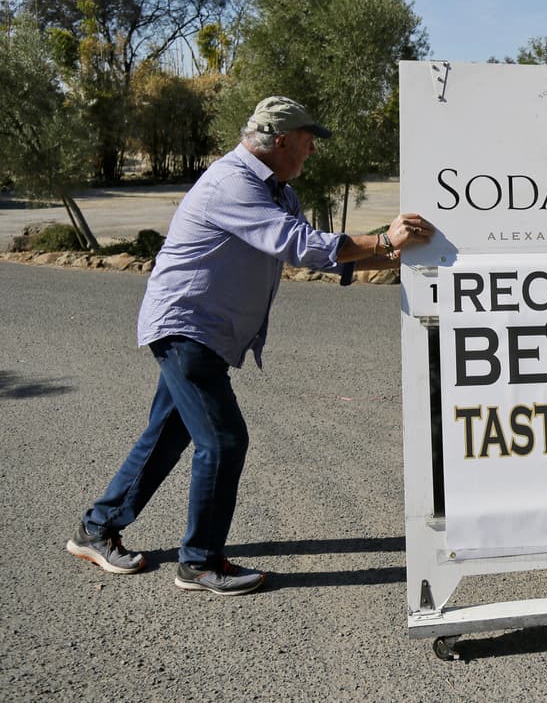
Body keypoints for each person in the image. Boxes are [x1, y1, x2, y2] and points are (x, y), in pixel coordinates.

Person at [65, 96, 435, 596]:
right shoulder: (232, 182)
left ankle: (96, 528)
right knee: (223, 440)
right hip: (186, 326)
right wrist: (384, 240)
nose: (311, 152)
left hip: (207, 333)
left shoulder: (278, 190)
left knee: (168, 435)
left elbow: (327, 258)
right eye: (307, 142)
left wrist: (413, 259)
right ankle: (199, 563)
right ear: (280, 140)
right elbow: (300, 244)